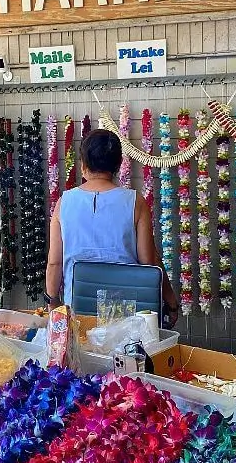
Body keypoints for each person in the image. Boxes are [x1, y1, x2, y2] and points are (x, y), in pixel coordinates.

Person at [46, 129, 180, 327]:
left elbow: (55, 264)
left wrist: (53, 303)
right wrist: (171, 302)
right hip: (127, 313)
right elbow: (149, 262)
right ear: (118, 165)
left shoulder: (63, 203)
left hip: (78, 311)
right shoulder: (135, 202)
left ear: (83, 164)